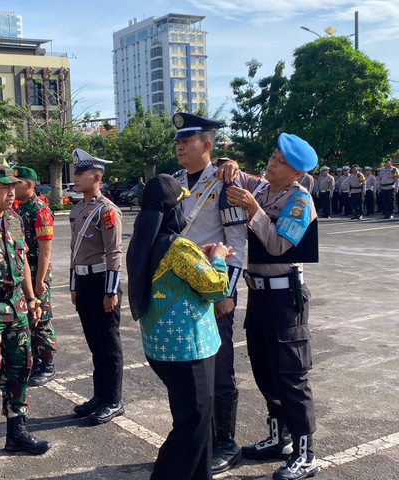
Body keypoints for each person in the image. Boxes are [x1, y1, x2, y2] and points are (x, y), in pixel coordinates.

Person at [225, 133, 320, 480]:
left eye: (281, 161)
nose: (272, 162)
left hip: (285, 298)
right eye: (273, 156)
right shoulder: (264, 189)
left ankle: (306, 453)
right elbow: (237, 176)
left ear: (296, 173)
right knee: (265, 369)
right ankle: (279, 438)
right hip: (259, 295)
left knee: (292, 376)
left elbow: (280, 244)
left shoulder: (299, 201)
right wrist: (231, 166)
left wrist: (254, 211)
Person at [127, 174, 233, 480]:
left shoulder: (144, 242)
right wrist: (218, 258)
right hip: (189, 350)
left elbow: (176, 271)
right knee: (193, 426)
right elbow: (216, 288)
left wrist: (200, 254)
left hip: (162, 349)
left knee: (194, 421)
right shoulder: (178, 248)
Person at [171, 112, 247, 473]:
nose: (179, 147)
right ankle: (198, 436)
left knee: (220, 366)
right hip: (182, 290)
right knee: (190, 366)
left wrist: (226, 293)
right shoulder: (173, 182)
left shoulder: (223, 184)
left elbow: (236, 243)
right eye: (177, 142)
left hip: (213, 287)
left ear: (207, 145)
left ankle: (227, 442)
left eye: (187, 141)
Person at [0, 165, 51, 456]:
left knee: (21, 367)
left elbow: (24, 261)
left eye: (13, 187)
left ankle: (17, 432)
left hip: (17, 307)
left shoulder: (15, 219)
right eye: (4, 187)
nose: (11, 192)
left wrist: (31, 300)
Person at [69, 148, 125, 425]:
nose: (76, 177)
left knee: (109, 345)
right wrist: (73, 284)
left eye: (81, 173)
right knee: (95, 344)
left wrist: (111, 291)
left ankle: (113, 399)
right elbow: (74, 251)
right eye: (76, 172)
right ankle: (99, 396)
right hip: (84, 281)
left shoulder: (107, 211)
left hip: (103, 281)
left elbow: (114, 252)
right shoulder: (78, 208)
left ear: (97, 176)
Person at [14, 166, 57, 386]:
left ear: (29, 185)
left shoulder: (40, 211)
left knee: (41, 319)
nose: (12, 187)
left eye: (16, 183)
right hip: (23, 275)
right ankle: (33, 362)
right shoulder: (20, 209)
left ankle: (47, 365)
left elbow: (45, 250)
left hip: (36, 273)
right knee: (26, 320)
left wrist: (40, 280)